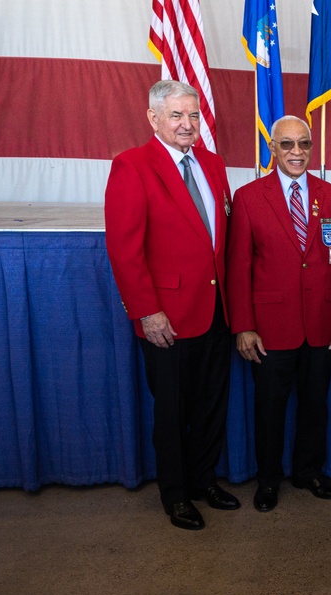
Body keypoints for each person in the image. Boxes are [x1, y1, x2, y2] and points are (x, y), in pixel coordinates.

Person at [105, 80, 240, 530]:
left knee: (211, 405)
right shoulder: (131, 165)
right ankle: (176, 495)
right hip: (166, 315)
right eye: (178, 116)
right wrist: (147, 310)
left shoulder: (214, 164)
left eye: (194, 116)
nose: (188, 125)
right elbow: (125, 249)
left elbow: (221, 238)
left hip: (216, 309)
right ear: (153, 118)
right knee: (173, 411)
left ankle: (204, 480)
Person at [227, 115, 331, 512]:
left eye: (304, 144)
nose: (297, 153)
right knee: (269, 409)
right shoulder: (249, 197)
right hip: (269, 328)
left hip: (322, 324)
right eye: (287, 145)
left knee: (315, 406)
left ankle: (308, 471)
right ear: (272, 148)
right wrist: (244, 326)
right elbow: (238, 270)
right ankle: (269, 480)